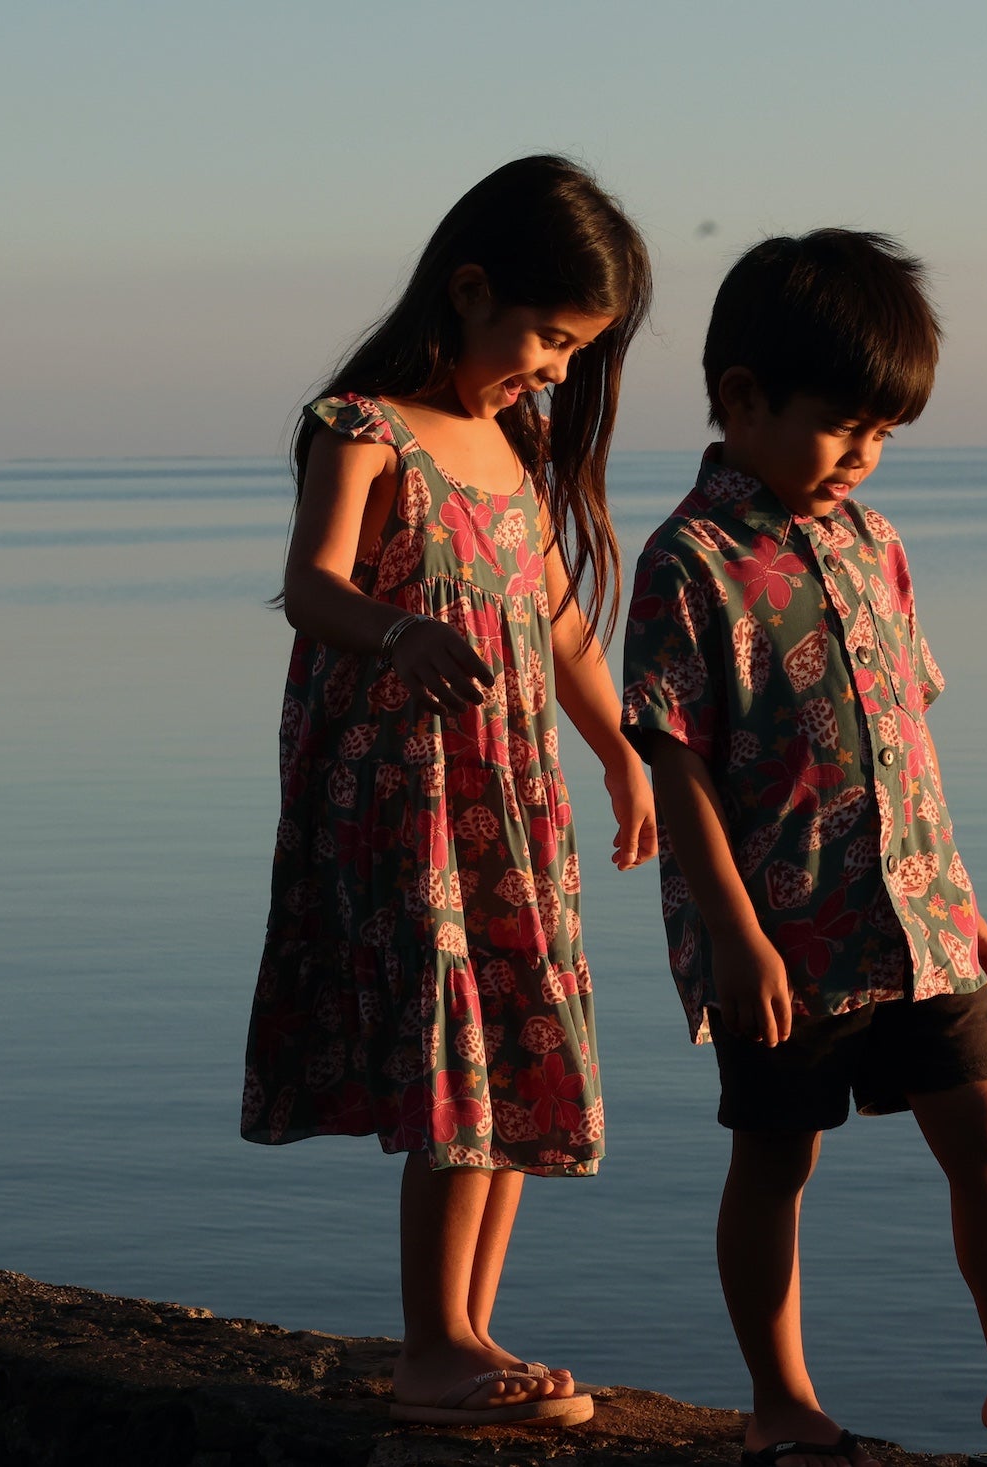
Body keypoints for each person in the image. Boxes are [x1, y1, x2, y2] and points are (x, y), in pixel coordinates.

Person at [619, 231, 987, 1467]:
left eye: (881, 434)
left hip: (917, 916)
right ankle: (781, 1401)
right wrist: (734, 938)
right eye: (841, 427)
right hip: (783, 940)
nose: (862, 456)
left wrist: (963, 900)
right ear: (742, 400)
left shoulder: (873, 542)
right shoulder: (689, 562)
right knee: (775, 1161)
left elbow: (904, 743)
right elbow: (675, 763)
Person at [241, 155, 657, 1429]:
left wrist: (619, 749)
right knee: (451, 1056)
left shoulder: (513, 450)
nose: (558, 372)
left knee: (513, 1050)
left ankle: (471, 1328)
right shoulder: (363, 430)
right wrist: (397, 632)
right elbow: (310, 586)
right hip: (409, 801)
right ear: (469, 290)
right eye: (548, 337)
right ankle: (432, 1347)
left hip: (512, 805)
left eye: (579, 350)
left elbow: (559, 622)